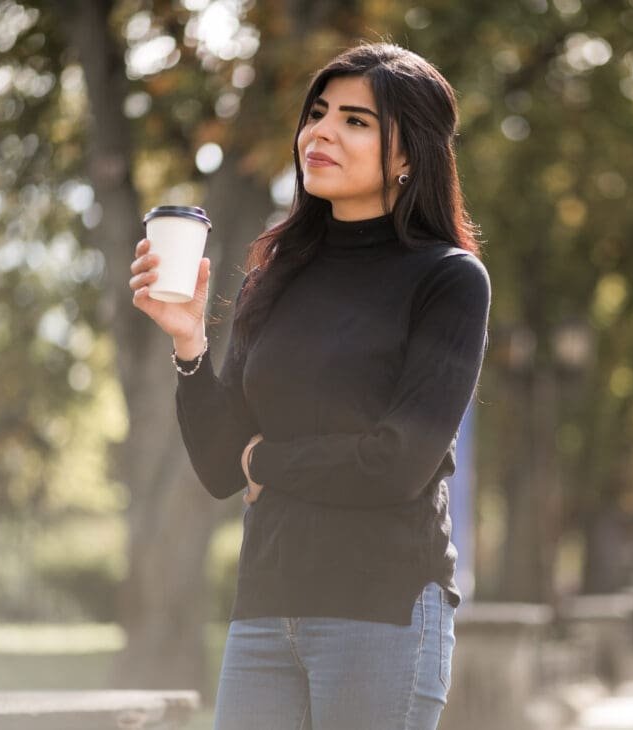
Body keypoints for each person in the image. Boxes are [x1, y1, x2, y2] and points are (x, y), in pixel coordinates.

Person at [129, 43, 490, 730]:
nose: (319, 132)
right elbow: (216, 466)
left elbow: (396, 465)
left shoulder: (446, 280)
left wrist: (265, 462)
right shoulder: (274, 274)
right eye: (318, 113)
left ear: (407, 154)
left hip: (381, 609)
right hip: (265, 611)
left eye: (355, 121)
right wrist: (188, 342)